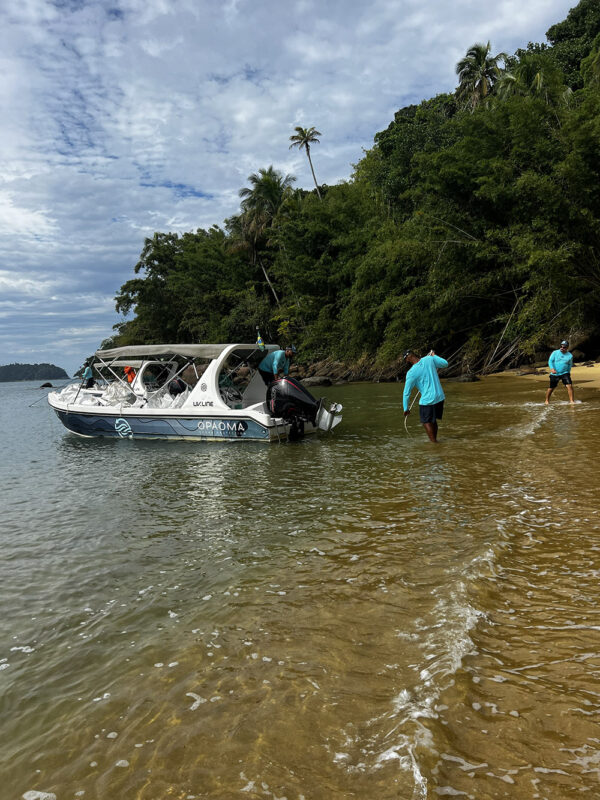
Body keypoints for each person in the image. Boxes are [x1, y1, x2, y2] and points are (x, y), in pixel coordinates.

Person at [403, 349, 449, 443]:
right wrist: (434, 355)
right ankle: (435, 440)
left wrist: (405, 408)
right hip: (440, 397)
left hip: (428, 401)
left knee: (426, 422)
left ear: (407, 360)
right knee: (433, 420)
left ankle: (434, 443)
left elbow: (406, 393)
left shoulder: (411, 373)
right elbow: (445, 364)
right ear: (414, 354)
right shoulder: (429, 359)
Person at [545, 339, 574, 404]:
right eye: (561, 346)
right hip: (555, 373)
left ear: (567, 347)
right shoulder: (555, 352)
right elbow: (550, 361)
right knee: (551, 387)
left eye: (564, 347)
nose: (562, 348)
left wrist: (568, 372)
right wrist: (552, 369)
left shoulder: (570, 355)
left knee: (569, 385)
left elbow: (570, 365)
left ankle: (571, 401)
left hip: (565, 373)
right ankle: (547, 400)